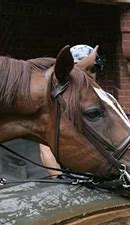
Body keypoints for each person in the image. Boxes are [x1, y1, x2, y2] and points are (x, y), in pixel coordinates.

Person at [40, 44, 104, 176]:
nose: (88, 75)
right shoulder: (57, 102)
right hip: (69, 174)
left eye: (92, 70)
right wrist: (59, 179)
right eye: (81, 69)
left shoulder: (105, 102)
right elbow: (46, 148)